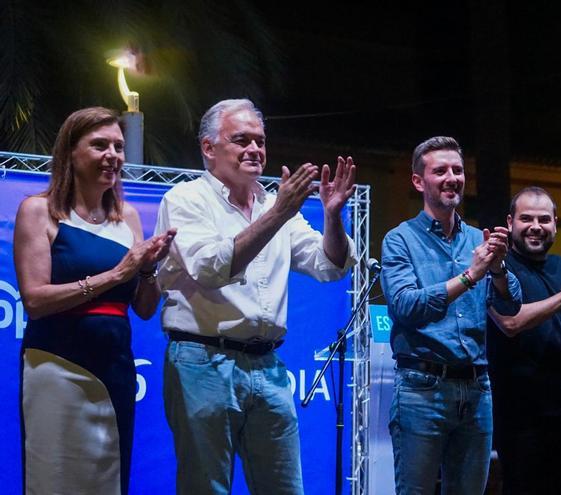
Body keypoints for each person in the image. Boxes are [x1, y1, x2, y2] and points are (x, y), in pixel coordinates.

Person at [154, 98, 357, 494]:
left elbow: (329, 264)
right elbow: (210, 269)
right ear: (209, 148)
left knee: (284, 488)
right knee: (204, 487)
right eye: (241, 139)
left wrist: (332, 217)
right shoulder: (186, 199)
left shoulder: (272, 204)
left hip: (267, 366)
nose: (255, 150)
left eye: (260, 141)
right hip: (202, 361)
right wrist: (278, 213)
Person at [14, 106, 176, 494]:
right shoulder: (38, 211)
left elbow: (144, 307)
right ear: (70, 151)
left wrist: (149, 269)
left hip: (115, 368)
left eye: (119, 147)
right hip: (56, 364)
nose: (113, 155)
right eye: (100, 145)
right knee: (53, 477)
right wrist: (117, 274)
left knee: (107, 480)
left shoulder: (129, 218)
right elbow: (35, 300)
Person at [380, 136, 522, 494]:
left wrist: (500, 269)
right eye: (440, 170)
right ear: (418, 181)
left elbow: (510, 306)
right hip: (421, 388)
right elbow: (406, 306)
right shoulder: (400, 240)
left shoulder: (479, 238)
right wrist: (471, 275)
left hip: (477, 389)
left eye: (457, 170)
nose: (452, 177)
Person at [486, 186, 561, 494]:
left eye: (544, 219)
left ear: (556, 223)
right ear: (510, 222)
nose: (536, 226)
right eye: (526, 218)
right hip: (518, 417)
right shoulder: (497, 267)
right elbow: (511, 323)